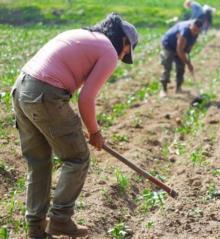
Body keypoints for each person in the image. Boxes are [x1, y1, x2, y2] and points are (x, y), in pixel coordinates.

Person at [11, 13, 138, 238]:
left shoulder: (79, 35)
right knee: (77, 158)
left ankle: (36, 230)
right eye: (126, 51)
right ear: (123, 41)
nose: (122, 56)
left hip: (21, 89)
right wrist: (95, 132)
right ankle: (60, 218)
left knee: (39, 162)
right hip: (45, 94)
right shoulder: (108, 50)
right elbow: (86, 98)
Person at [160, 19, 202, 97]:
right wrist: (188, 63)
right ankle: (164, 90)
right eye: (193, 30)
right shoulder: (185, 32)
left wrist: (188, 49)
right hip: (169, 45)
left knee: (181, 67)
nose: (194, 32)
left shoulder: (196, 32)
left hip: (179, 46)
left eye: (197, 31)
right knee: (167, 66)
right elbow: (179, 50)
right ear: (191, 26)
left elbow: (190, 44)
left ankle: (178, 88)